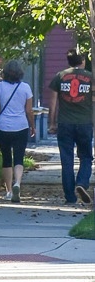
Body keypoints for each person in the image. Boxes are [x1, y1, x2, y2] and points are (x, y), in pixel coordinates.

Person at [49, 46, 94, 210]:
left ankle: (70, 196)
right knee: (86, 157)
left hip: (65, 123)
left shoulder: (59, 77)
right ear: (82, 61)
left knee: (66, 160)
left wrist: (52, 124)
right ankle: (81, 182)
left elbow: (53, 103)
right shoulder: (91, 78)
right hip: (84, 123)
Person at [0, 59, 35, 203]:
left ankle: (8, 191)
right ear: (20, 73)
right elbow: (29, 110)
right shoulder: (25, 88)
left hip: (3, 127)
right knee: (19, 158)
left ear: (5, 73)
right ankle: (17, 183)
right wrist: (32, 126)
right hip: (21, 126)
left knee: (6, 159)